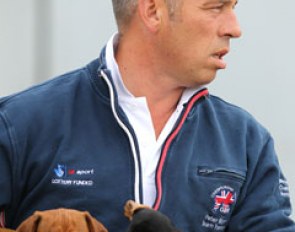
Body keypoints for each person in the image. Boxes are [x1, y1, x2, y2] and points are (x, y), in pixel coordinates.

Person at [0, 0, 294, 231]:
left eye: (233, 7)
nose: (234, 28)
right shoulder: (18, 124)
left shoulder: (246, 143)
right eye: (216, 6)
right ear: (153, 10)